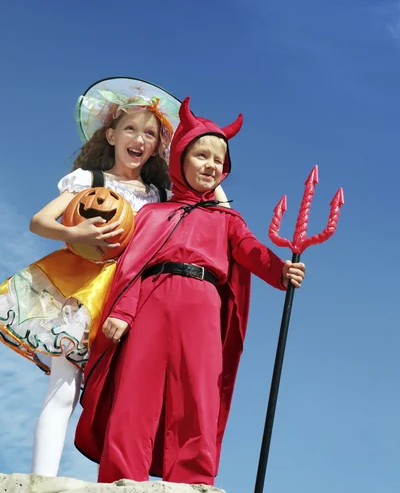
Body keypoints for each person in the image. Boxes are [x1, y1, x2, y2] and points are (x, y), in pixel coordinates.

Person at [0, 78, 228, 477]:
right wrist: (75, 233)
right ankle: (41, 479)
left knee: (121, 390)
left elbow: (212, 203)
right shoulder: (91, 181)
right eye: (130, 129)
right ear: (111, 135)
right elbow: (40, 221)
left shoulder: (160, 196)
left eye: (150, 133)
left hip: (131, 297)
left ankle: (122, 472)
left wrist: (216, 170)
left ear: (159, 146)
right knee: (64, 384)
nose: (139, 139)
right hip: (84, 289)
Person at [75, 96, 306, 486]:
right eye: (201, 155)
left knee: (198, 394)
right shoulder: (154, 213)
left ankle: (192, 481)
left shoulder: (228, 220)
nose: (211, 165)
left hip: (201, 305)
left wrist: (280, 270)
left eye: (219, 160)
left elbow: (249, 250)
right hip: (150, 300)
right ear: (179, 158)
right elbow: (134, 266)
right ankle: (121, 478)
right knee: (135, 393)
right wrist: (123, 311)